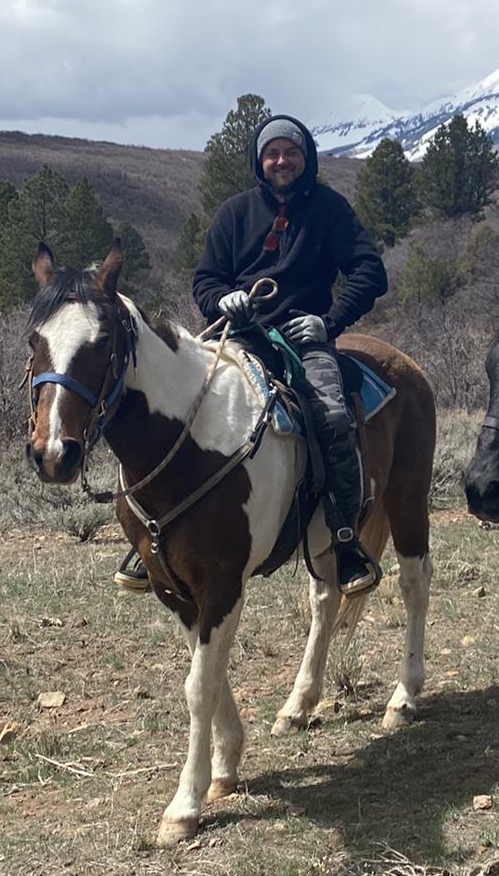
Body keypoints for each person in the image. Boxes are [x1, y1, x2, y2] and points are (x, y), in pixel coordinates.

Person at [116, 113, 388, 594]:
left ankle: (345, 540)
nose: (281, 161)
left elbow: (369, 271)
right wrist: (222, 299)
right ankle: (152, 533)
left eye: (291, 152)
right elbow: (206, 278)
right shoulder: (234, 213)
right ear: (259, 161)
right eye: (272, 153)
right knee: (179, 407)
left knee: (330, 415)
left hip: (305, 337)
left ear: (307, 158)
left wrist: (330, 320)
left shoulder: (330, 209)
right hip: (239, 334)